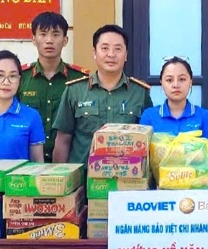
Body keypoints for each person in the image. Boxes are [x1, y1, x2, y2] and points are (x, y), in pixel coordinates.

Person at [52, 24, 153, 165]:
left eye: (118, 49)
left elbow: (147, 140)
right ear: (94, 53)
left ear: (126, 55)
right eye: (104, 48)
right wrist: (64, 181)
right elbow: (63, 139)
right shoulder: (75, 91)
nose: (111, 54)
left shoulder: (140, 93)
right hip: (83, 181)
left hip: (127, 179)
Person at [19, 11, 88, 162]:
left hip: (69, 163)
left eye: (56, 34)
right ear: (33, 39)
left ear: (65, 40)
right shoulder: (20, 77)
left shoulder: (80, 79)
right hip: (27, 162)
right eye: (43, 34)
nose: (49, 40)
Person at [139, 57, 208, 140]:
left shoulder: (205, 117)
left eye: (182, 79)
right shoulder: (149, 117)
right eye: (169, 80)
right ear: (161, 83)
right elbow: (141, 150)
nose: (176, 85)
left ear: (190, 82)